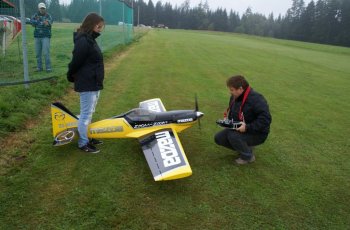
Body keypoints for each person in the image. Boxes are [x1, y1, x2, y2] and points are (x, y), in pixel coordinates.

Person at [67, 13, 105, 153]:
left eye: (101, 27)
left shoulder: (90, 39)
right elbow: (76, 62)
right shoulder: (83, 40)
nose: (100, 29)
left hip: (93, 82)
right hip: (87, 82)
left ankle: (87, 136)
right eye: (98, 26)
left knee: (90, 112)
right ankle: (83, 143)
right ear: (91, 24)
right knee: (85, 114)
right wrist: (71, 75)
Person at [214, 75, 272, 165]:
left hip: (257, 133)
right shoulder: (235, 97)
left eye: (232, 90)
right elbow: (234, 114)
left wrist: (247, 127)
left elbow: (265, 120)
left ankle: (248, 156)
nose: (230, 92)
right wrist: (228, 123)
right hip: (240, 128)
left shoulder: (256, 99)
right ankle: (245, 147)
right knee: (219, 138)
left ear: (240, 89)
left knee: (232, 135)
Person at [31, 2, 53, 72]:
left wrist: (40, 22)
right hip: (37, 36)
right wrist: (39, 22)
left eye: (43, 8)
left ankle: (48, 67)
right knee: (38, 53)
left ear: (45, 8)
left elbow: (49, 22)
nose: (42, 9)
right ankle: (39, 67)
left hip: (46, 36)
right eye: (41, 8)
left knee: (46, 52)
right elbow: (31, 22)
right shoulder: (35, 15)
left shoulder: (48, 16)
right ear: (39, 8)